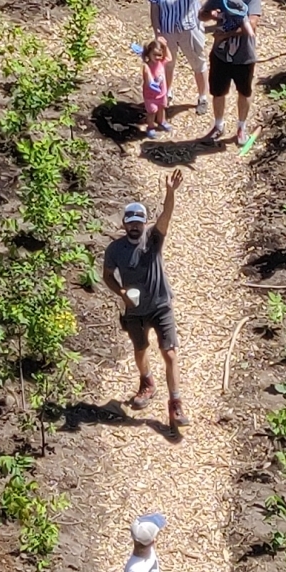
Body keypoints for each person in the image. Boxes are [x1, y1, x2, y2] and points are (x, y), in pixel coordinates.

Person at [103, 177, 185, 427]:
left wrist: (170, 192)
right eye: (131, 223)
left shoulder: (153, 238)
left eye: (139, 222)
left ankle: (176, 404)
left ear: (144, 223)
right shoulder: (114, 249)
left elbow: (166, 215)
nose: (135, 227)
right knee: (140, 350)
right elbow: (107, 275)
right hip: (134, 310)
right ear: (125, 225)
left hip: (160, 304)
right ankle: (147, 382)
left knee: (170, 354)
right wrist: (121, 293)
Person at [198, 0, 265, 147]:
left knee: (244, 92)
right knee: (218, 92)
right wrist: (210, 14)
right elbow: (202, 14)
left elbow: (252, 25)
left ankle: (241, 127)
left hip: (244, 55)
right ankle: (218, 125)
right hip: (220, 54)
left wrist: (225, 34)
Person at [148, 0, 205, 115]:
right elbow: (154, 9)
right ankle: (167, 93)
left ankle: (202, 97)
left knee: (198, 62)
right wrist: (157, 32)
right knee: (167, 64)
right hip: (168, 30)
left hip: (189, 27)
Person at [138, 35, 173, 137]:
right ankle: (150, 126)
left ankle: (161, 121)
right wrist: (152, 83)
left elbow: (169, 58)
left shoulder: (161, 63)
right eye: (155, 55)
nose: (158, 58)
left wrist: (165, 46)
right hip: (150, 96)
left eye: (160, 55)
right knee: (152, 112)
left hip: (162, 93)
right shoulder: (147, 66)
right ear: (148, 54)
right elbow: (148, 78)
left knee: (162, 108)